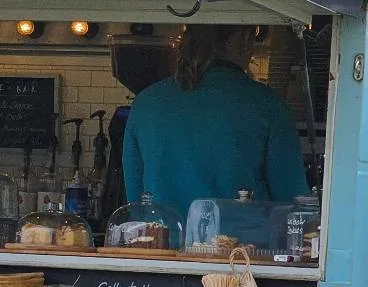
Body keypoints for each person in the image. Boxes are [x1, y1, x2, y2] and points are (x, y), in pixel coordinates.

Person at [122, 25, 309, 219]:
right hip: (242, 246)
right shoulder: (268, 105)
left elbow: (136, 205)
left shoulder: (146, 104)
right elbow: (294, 204)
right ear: (243, 39)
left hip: (162, 244)